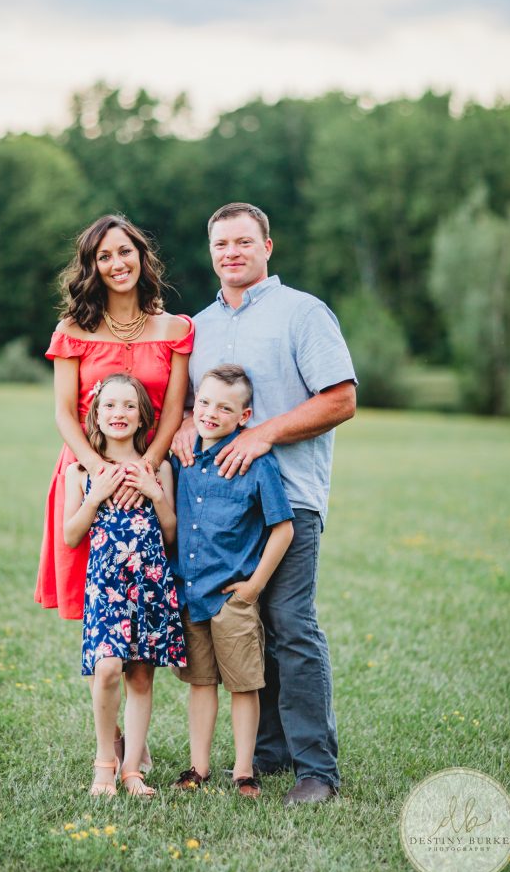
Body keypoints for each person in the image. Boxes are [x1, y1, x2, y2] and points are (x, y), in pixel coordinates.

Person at [171, 202, 357, 806]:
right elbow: (197, 405)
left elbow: (341, 399)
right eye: (221, 244)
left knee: (291, 626)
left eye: (244, 242)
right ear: (210, 252)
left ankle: (316, 770)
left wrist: (263, 434)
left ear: (267, 247)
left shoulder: (302, 313)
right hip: (218, 510)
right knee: (244, 625)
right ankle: (268, 752)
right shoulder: (198, 327)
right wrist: (183, 422)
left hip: (288, 498)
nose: (232, 252)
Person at [35, 213, 194, 620]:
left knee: (153, 599)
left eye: (125, 251)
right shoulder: (72, 330)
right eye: (104, 256)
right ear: (93, 267)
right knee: (99, 604)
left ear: (141, 256)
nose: (117, 263)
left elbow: (173, 411)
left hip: (153, 473)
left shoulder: (175, 330)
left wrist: (147, 469)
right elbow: (64, 413)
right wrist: (99, 472)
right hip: (87, 470)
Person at [170, 366, 294, 798]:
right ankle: (198, 767)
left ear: (244, 416)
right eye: (204, 402)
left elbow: (283, 529)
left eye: (225, 408)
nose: (210, 412)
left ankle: (244, 770)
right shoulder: (182, 457)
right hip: (190, 592)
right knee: (201, 683)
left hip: (232, 598)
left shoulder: (257, 464)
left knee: (244, 684)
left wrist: (253, 587)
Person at [63, 373, 186, 797]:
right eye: (110, 405)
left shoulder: (159, 469)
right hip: (107, 586)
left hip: (149, 583)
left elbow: (170, 533)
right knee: (108, 668)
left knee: (141, 677)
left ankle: (133, 769)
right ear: (96, 414)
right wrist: (95, 496)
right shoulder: (81, 472)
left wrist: (155, 493)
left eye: (129, 406)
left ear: (143, 417)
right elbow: (70, 535)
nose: (120, 413)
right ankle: (105, 762)